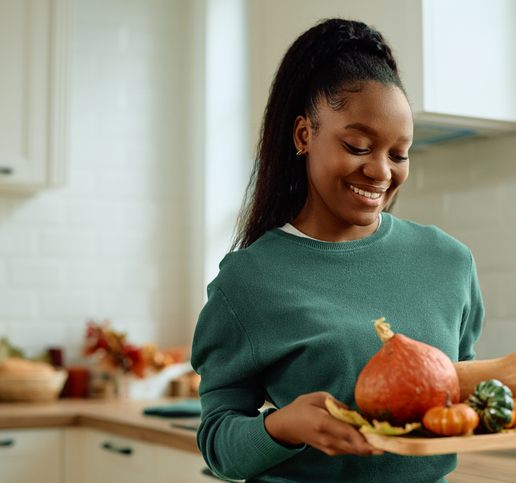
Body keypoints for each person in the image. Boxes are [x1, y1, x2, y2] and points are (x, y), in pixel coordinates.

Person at [190, 18, 484, 483]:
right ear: (304, 135)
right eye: (357, 145)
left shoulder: (449, 262)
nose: (381, 171)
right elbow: (219, 445)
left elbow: (461, 403)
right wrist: (283, 426)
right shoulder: (247, 281)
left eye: (399, 153)